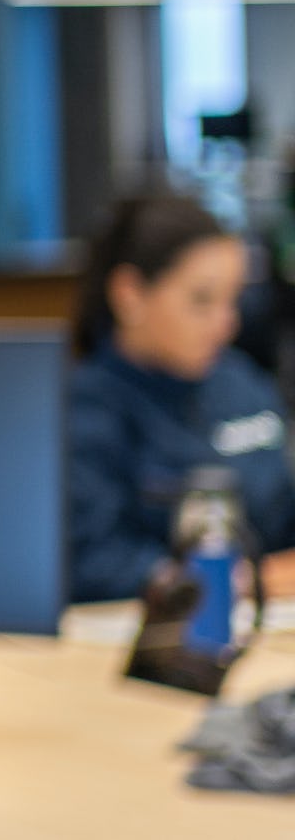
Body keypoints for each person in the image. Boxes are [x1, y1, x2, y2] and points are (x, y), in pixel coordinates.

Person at [67, 193, 295, 603]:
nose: (226, 324)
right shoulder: (84, 408)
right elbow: (94, 561)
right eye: (202, 300)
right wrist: (239, 583)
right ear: (130, 294)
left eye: (233, 298)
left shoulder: (243, 383)